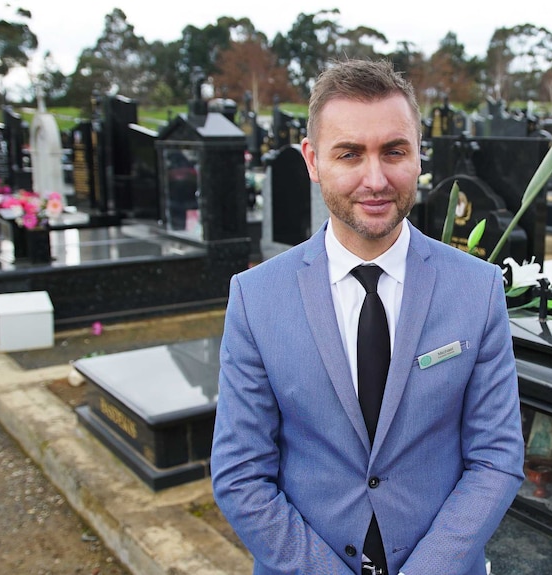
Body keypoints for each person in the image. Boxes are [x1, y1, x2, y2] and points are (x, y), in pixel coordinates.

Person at [211, 59, 525, 575]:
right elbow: (240, 473)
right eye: (350, 154)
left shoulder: (477, 288)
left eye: (394, 151)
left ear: (419, 155)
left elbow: (495, 457)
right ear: (313, 160)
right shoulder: (256, 298)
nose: (375, 179)